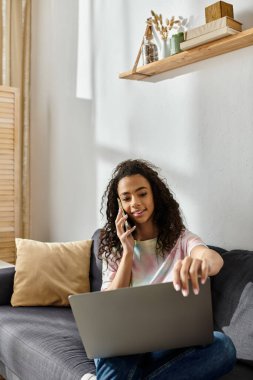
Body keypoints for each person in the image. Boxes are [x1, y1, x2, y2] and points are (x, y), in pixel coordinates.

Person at [95, 159, 236, 380]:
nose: (135, 203)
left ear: (154, 196)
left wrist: (201, 264)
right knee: (116, 351)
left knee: (223, 346)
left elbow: (212, 259)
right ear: (119, 204)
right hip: (124, 343)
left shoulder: (180, 238)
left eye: (142, 194)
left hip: (167, 344)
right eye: (127, 198)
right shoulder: (114, 248)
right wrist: (128, 252)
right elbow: (107, 308)